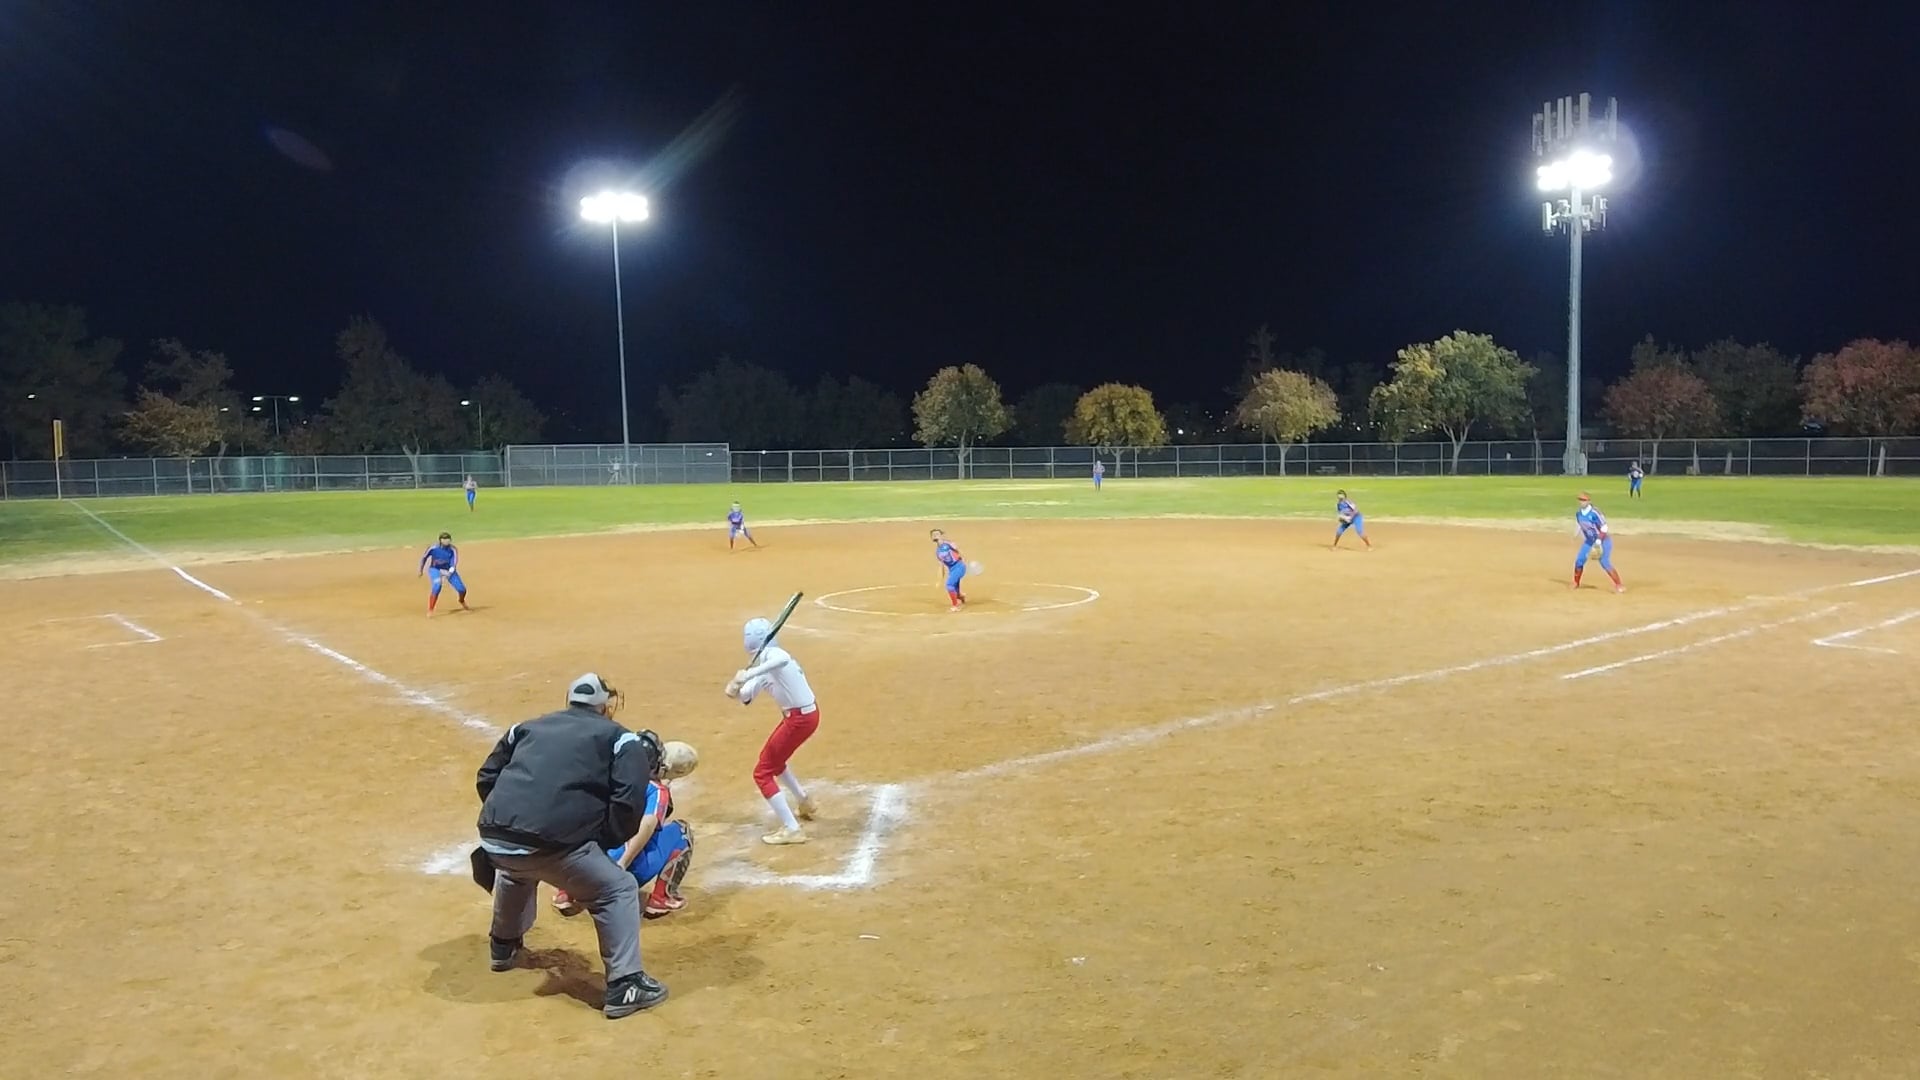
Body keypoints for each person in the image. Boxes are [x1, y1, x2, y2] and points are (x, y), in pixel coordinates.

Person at [474, 673, 670, 1018]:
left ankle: (503, 947)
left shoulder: (524, 728)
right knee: (617, 888)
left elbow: (487, 776)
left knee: (518, 870)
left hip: (495, 841)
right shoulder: (621, 739)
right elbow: (628, 800)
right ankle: (626, 985)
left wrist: (510, 821)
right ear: (605, 706)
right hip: (551, 844)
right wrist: (605, 841)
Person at [554, 741, 700, 920]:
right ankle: (661, 898)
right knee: (681, 831)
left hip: (573, 867)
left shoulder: (603, 775)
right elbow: (646, 827)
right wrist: (622, 864)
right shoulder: (657, 791)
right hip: (614, 873)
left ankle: (566, 892)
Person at [725, 618, 820, 845]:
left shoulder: (773, 655)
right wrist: (735, 687)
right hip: (801, 717)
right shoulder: (763, 664)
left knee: (762, 772)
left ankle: (792, 829)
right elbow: (745, 696)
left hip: (800, 719)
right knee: (776, 762)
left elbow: (781, 659)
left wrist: (748, 674)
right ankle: (804, 801)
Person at [1573, 493, 1625, 593]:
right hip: (1589, 541)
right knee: (1579, 561)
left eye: (1584, 500)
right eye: (1580, 500)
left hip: (1603, 541)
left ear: (1589, 501)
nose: (1582, 502)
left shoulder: (1595, 513)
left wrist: (1598, 541)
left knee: (1604, 562)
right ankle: (1576, 582)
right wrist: (1576, 534)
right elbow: (1579, 525)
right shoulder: (1579, 514)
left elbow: (1604, 527)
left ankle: (1619, 585)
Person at [417, 531, 470, 617]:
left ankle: (461, 600)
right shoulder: (433, 548)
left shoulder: (453, 549)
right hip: (435, 569)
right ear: (440, 540)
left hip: (448, 570)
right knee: (437, 585)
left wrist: (451, 570)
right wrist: (421, 569)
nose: (446, 541)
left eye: (448, 539)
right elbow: (424, 558)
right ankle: (431, 609)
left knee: (462, 589)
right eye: (444, 539)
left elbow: (454, 560)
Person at [930, 528, 967, 612]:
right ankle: (961, 596)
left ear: (941, 535)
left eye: (937, 534)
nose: (935, 535)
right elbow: (941, 567)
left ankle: (955, 607)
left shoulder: (948, 544)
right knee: (956, 593)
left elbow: (959, 550)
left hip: (959, 566)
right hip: (952, 570)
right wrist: (939, 580)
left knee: (949, 585)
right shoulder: (938, 552)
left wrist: (964, 561)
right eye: (933, 535)